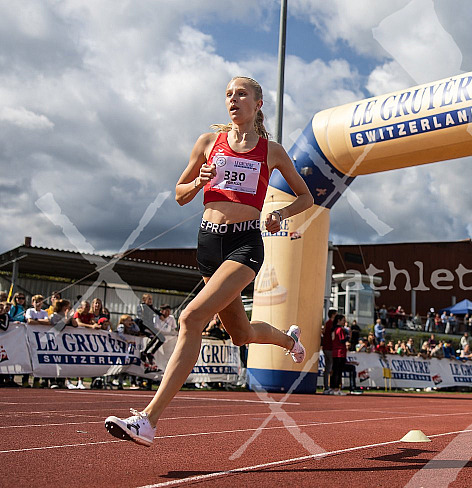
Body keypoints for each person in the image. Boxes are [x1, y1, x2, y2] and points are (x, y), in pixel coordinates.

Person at [105, 76, 312, 446]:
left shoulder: (272, 151)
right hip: (207, 246)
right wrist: (198, 182)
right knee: (241, 334)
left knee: (191, 317)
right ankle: (288, 339)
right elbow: (179, 194)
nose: (233, 99)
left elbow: (306, 198)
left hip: (244, 245)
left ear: (258, 103)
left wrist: (280, 216)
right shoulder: (207, 143)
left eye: (241, 94)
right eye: (229, 94)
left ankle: (148, 420)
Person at [321, 308, 337, 394]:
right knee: (330, 368)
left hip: (326, 347)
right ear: (333, 315)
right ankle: (329, 387)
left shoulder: (327, 323)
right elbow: (332, 336)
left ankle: (326, 386)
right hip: (330, 347)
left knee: (327, 368)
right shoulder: (332, 324)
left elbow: (324, 332)